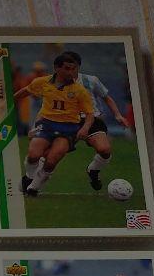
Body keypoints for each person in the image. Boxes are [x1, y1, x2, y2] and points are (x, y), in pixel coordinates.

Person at [14, 50, 94, 197]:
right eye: (67, 69)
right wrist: (8, 103)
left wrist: (85, 128)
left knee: (51, 160)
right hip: (46, 124)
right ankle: (29, 178)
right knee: (33, 155)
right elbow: (26, 91)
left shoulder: (80, 90)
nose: (71, 72)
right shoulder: (41, 82)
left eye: (74, 69)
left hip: (68, 128)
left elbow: (89, 113)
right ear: (57, 68)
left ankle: (33, 189)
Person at [76, 68, 131, 191]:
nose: (69, 70)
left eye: (73, 66)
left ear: (77, 66)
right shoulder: (55, 81)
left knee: (104, 150)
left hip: (92, 119)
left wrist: (118, 115)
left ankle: (93, 170)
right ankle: (33, 184)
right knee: (52, 153)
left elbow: (106, 97)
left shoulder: (90, 80)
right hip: (67, 120)